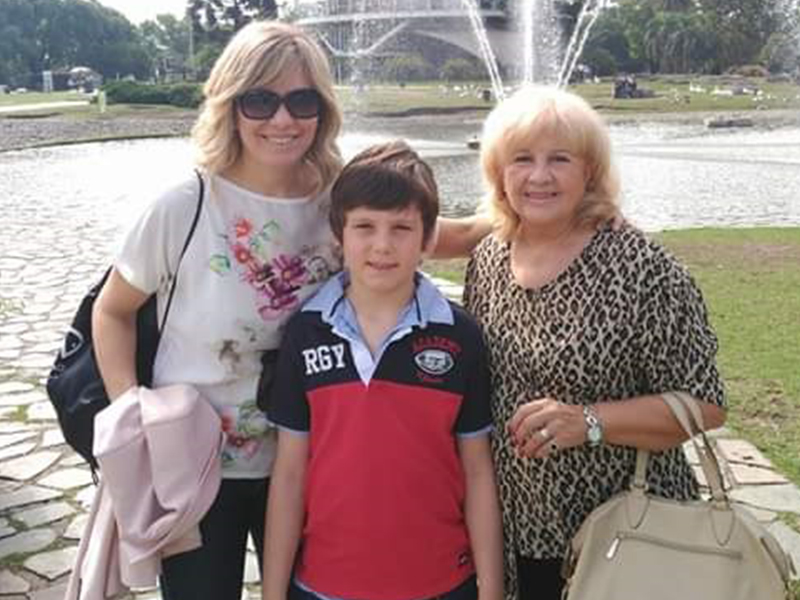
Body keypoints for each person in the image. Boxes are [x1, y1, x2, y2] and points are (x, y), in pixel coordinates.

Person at [462, 85, 727, 600]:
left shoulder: (642, 268)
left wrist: (588, 421)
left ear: (589, 171)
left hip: (628, 536)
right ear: (499, 172)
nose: (540, 176)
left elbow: (706, 405)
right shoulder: (489, 259)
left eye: (559, 159)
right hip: (518, 535)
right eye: (522, 159)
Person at [262, 141, 504, 600]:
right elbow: (290, 474)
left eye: (401, 228)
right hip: (324, 585)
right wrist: (273, 593)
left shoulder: (461, 337)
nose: (382, 245)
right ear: (339, 233)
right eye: (365, 226)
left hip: (441, 584)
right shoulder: (305, 332)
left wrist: (491, 590)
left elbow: (477, 471)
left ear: (428, 239)